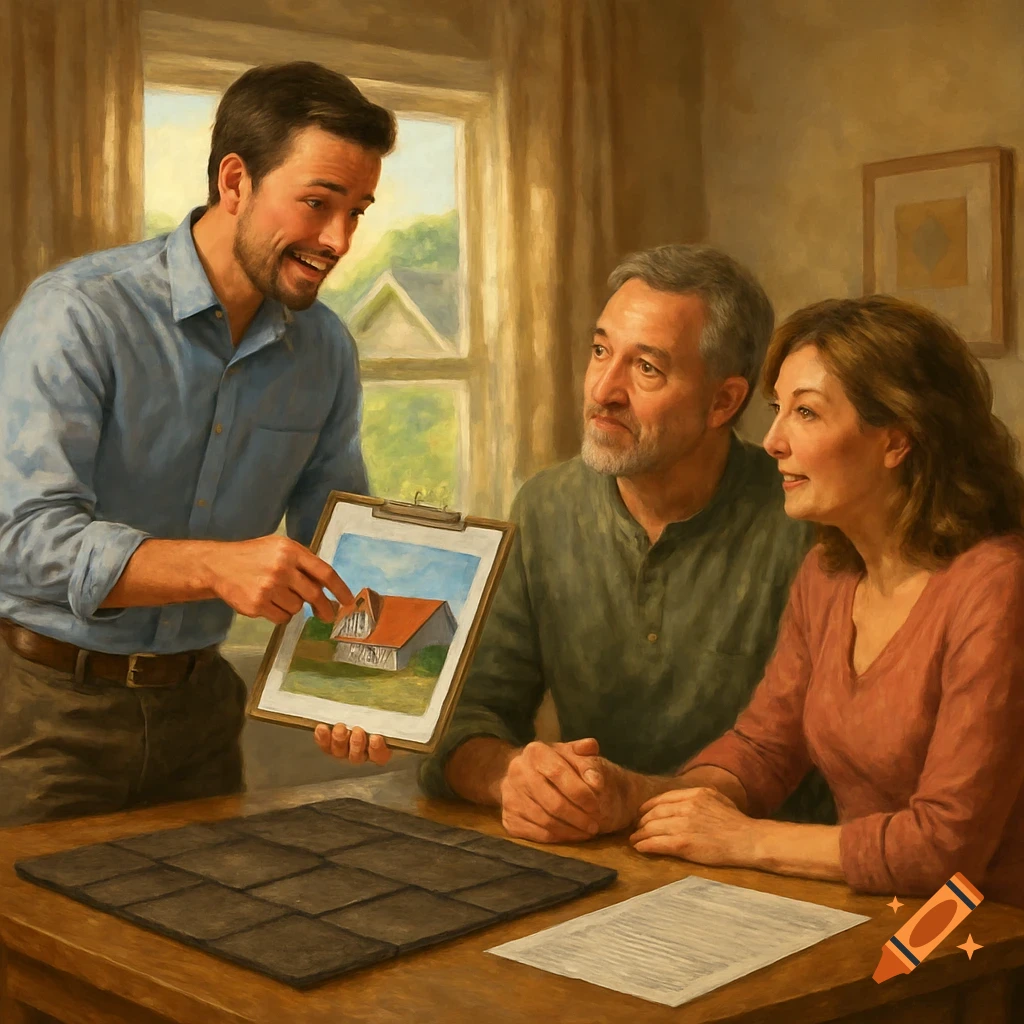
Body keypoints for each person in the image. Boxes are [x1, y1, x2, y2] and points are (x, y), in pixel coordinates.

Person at [322, 244, 835, 839]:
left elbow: (802, 752)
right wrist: (515, 776)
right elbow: (465, 719)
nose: (604, 390)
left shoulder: (808, 522)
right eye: (600, 352)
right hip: (594, 855)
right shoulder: (546, 507)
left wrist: (631, 799)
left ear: (724, 401)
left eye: (647, 368)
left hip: (767, 874)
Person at [0, 62, 397, 827]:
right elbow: (19, 539)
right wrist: (215, 566)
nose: (338, 240)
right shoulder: (78, 316)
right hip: (38, 719)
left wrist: (360, 690)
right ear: (236, 181)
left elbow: (337, 544)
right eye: (318, 204)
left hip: (203, 721)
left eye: (357, 211)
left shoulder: (327, 352)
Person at [630, 295, 1024, 910]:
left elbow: (947, 847)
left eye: (807, 414)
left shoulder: (997, 589)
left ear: (897, 441)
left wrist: (747, 840)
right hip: (872, 914)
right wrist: (638, 798)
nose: (773, 442)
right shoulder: (831, 571)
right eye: (777, 410)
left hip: (984, 940)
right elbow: (765, 749)